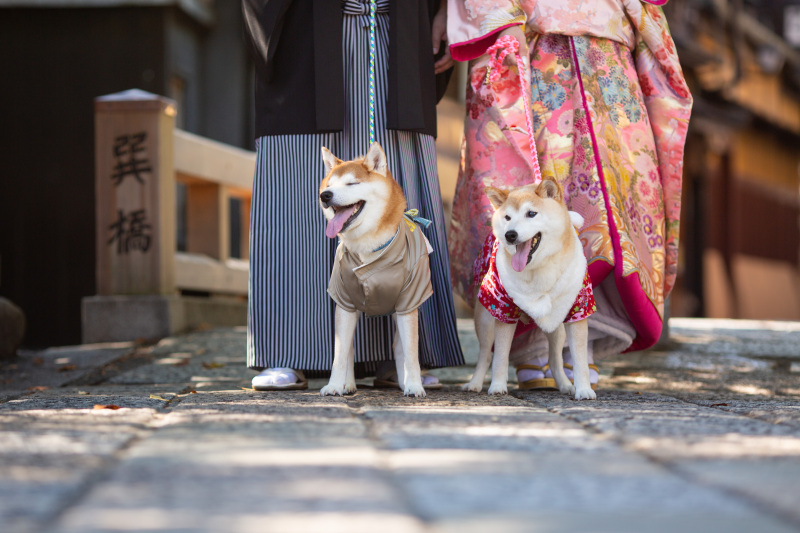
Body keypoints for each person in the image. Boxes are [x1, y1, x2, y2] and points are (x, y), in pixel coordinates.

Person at [446, 0, 692, 388]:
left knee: (607, 202)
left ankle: (584, 341)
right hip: (532, 41)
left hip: (606, 53)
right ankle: (531, 349)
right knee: (532, 188)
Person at [242, 0, 464, 390]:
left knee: (392, 175)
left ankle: (398, 355)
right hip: (305, 29)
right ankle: (287, 349)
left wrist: (449, 9)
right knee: (296, 186)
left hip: (397, 27)